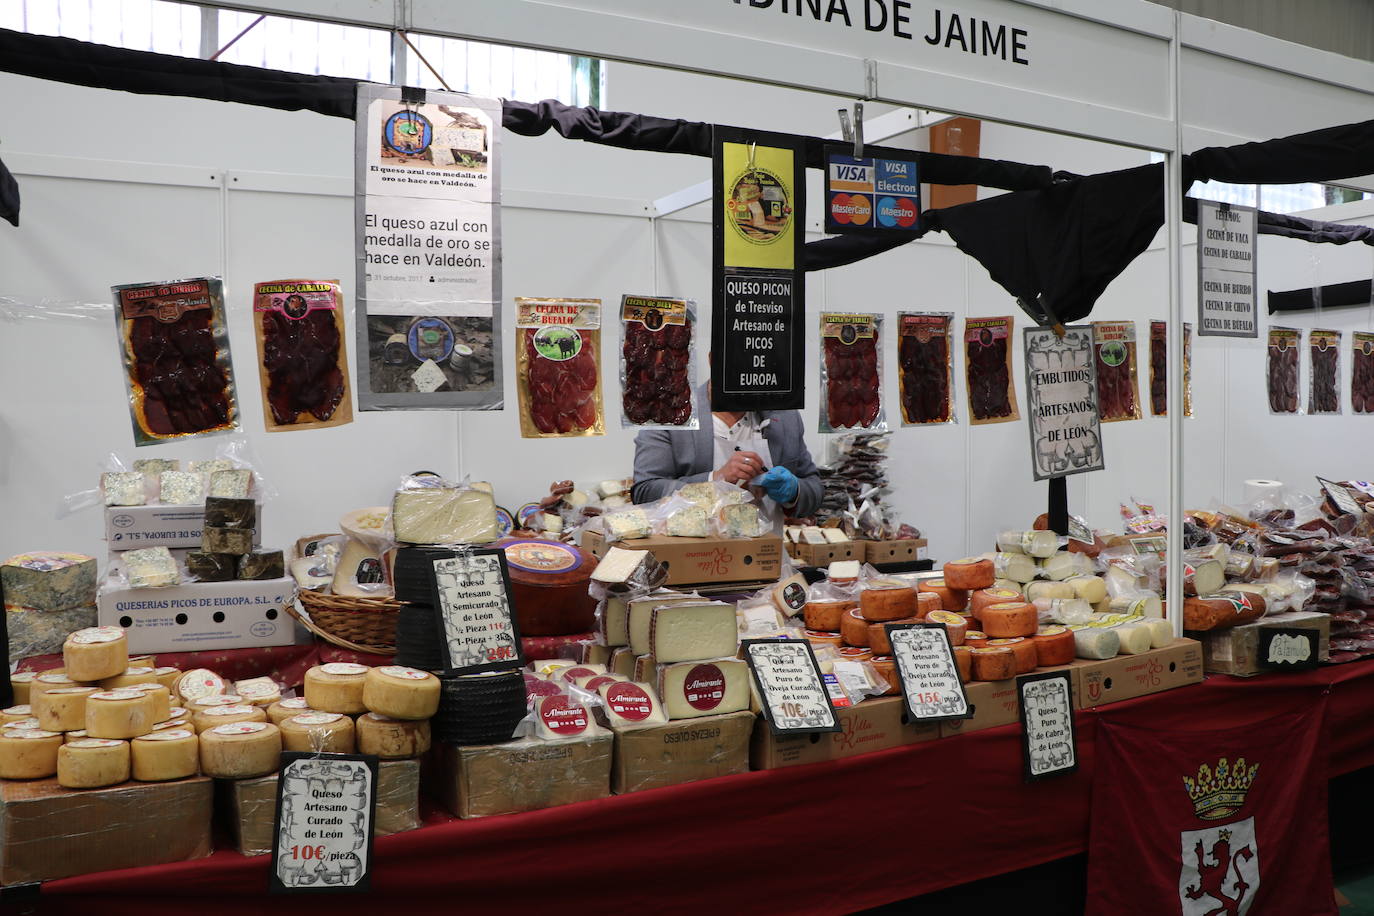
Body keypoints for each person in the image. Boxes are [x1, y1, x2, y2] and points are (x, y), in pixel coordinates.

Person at [632, 381, 823, 522]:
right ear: (712, 359)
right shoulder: (668, 415)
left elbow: (815, 489)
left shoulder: (785, 417)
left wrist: (794, 491)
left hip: (767, 562)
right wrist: (716, 480)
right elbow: (645, 491)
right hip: (695, 559)